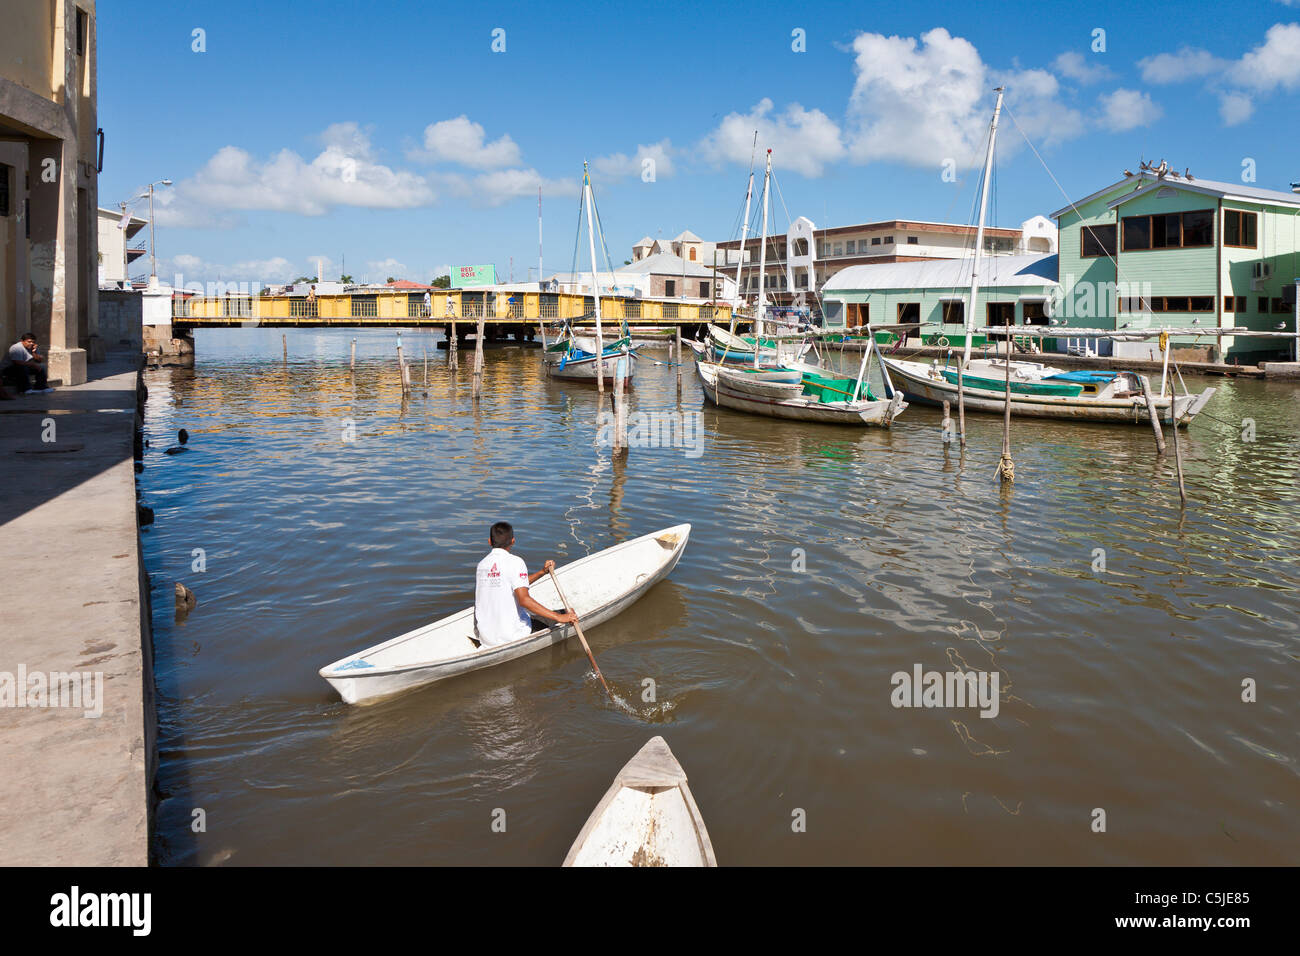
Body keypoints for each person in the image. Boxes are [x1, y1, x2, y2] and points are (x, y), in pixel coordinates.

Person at [474, 521, 576, 647]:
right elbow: (524, 600)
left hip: (486, 638)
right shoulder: (515, 562)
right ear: (513, 541)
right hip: (512, 635)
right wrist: (559, 617)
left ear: (489, 541)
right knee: (567, 612)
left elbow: (513, 583)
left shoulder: (482, 565)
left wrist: (542, 572)